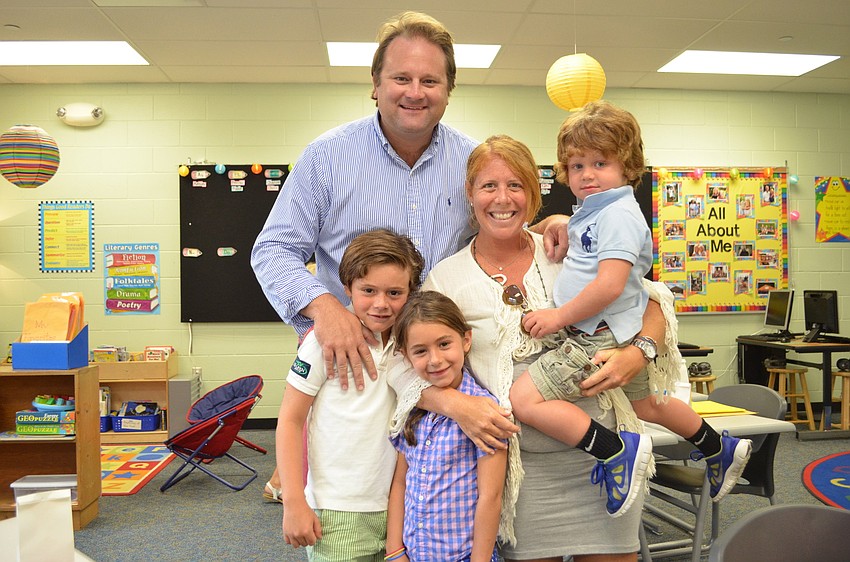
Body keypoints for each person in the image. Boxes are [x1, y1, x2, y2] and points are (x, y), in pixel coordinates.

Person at [253, 10, 568, 501]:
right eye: (401, 78)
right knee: (349, 505)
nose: (415, 92)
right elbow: (273, 249)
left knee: (431, 500)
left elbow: (499, 224)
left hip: (443, 365)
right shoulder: (326, 157)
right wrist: (325, 308)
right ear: (375, 84)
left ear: (448, 90)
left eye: (430, 81)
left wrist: (550, 225)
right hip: (357, 363)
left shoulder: (471, 161)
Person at [388, 133, 672, 561]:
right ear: (470, 193)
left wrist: (639, 352)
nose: (502, 199)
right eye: (489, 186)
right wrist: (455, 405)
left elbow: (652, 301)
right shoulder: (446, 278)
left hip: (608, 464)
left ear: (534, 194)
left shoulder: (566, 249)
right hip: (520, 472)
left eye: (515, 185)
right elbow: (402, 362)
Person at [511, 101, 752, 516]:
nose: (587, 175)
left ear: (628, 167)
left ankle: (614, 451)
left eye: (600, 163)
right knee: (646, 404)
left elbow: (610, 284)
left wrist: (557, 316)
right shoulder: (597, 211)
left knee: (524, 399)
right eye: (577, 165)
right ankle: (717, 446)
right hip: (613, 329)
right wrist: (551, 224)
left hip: (593, 335)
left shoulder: (618, 215)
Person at [275, 229, 424, 560]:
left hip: (399, 506)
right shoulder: (322, 342)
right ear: (347, 287)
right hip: (337, 512)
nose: (381, 304)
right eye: (368, 290)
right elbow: (290, 420)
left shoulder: (409, 344)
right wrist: (294, 501)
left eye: (394, 293)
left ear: (410, 292)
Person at [386, 291, 507, 562]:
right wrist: (394, 550)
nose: (435, 360)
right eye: (420, 351)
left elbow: (491, 496)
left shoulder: (485, 412)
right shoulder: (411, 408)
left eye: (444, 344)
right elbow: (401, 481)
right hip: (413, 555)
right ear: (406, 355)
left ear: (466, 340)